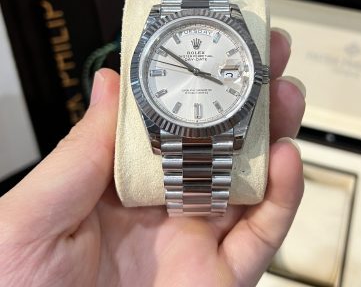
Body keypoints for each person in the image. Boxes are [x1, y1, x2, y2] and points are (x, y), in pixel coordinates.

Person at [0, 29, 305, 286]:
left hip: (226, 131)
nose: (197, 74)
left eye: (200, 71)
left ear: (257, 75)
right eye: (192, 72)